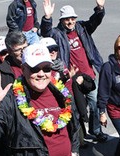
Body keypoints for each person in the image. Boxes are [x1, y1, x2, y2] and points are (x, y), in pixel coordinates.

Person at [40, 0, 109, 142]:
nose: (70, 22)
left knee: (95, 103)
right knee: (77, 108)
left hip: (89, 74)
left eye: (72, 18)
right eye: (67, 19)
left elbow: (95, 21)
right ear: (62, 20)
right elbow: (45, 32)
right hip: (73, 78)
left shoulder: (82, 27)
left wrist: (100, 8)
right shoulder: (58, 33)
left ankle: (96, 130)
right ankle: (80, 137)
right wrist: (47, 18)